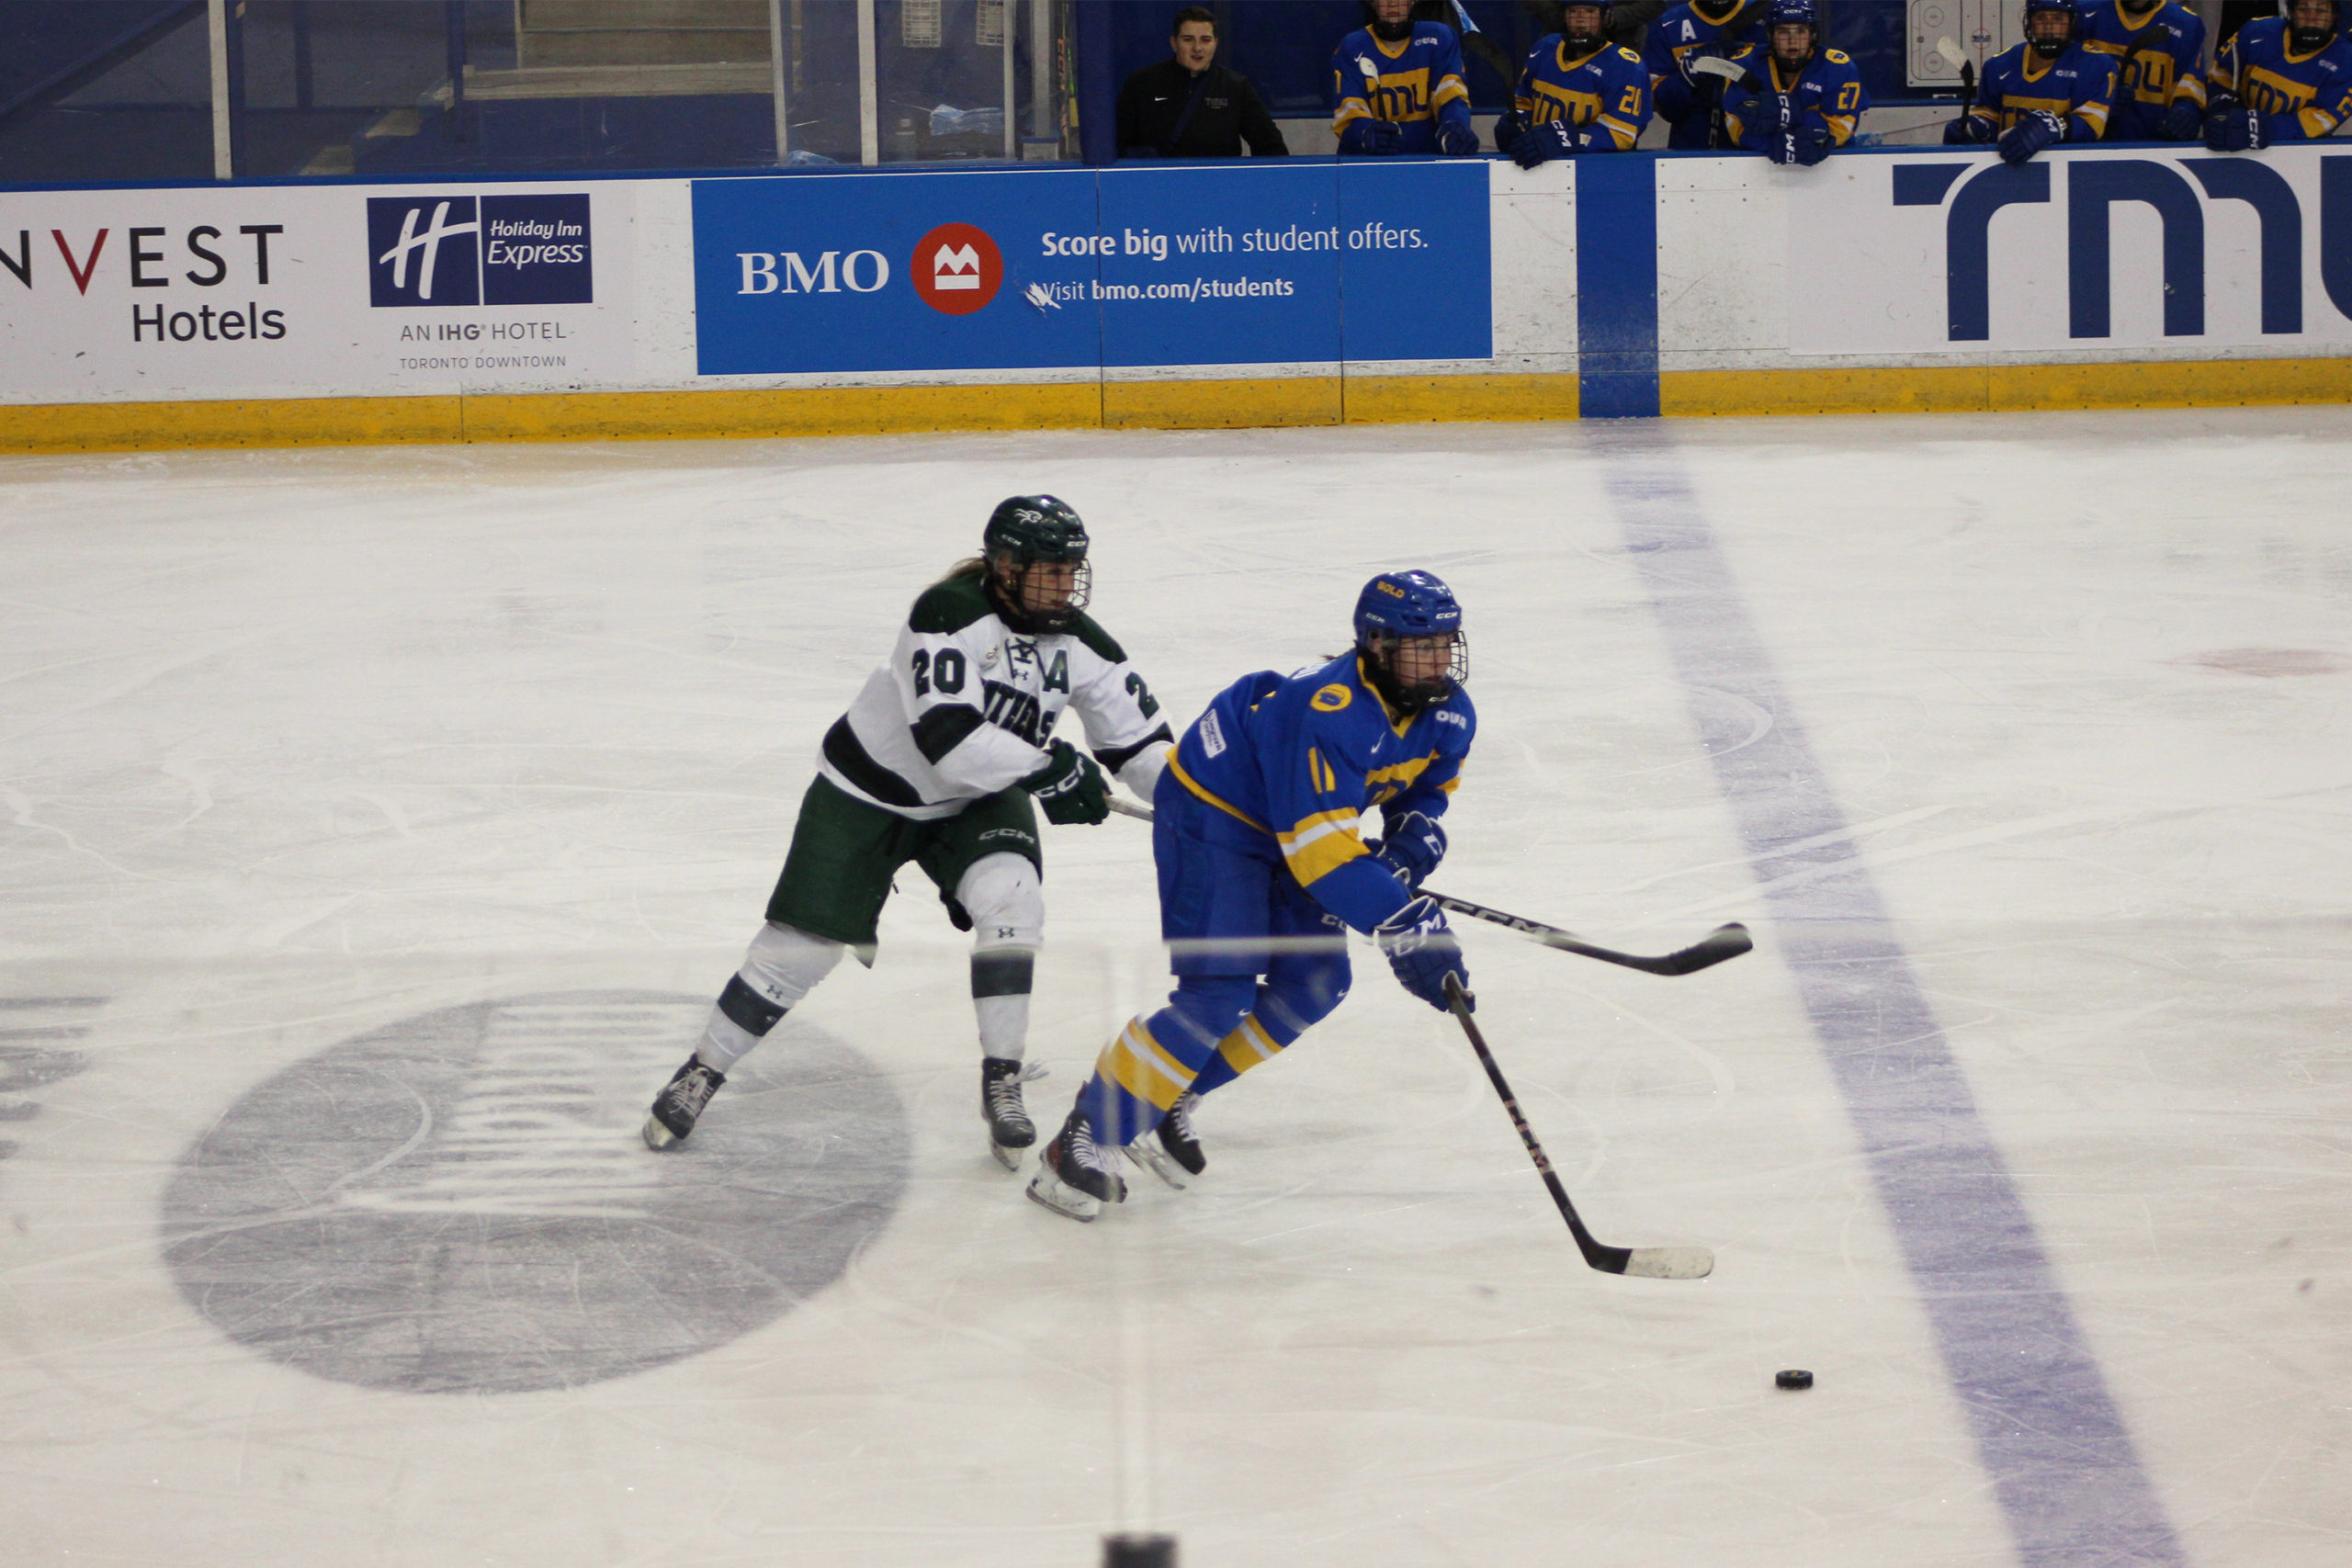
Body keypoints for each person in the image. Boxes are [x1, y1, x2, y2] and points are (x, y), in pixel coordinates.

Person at [643, 496, 1173, 1168]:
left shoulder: (1084, 645)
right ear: (1007, 567)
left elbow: (1142, 747)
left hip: (977, 799)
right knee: (798, 954)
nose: (1066, 586)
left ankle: (1002, 1079)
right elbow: (950, 742)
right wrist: (1048, 769)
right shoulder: (947, 613)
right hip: (868, 794)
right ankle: (702, 1069)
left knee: (1014, 905)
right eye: (1051, 571)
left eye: (1072, 571)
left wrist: (1199, 801)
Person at [1025, 571, 1477, 1223]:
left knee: (1316, 983)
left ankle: (1168, 1093)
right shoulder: (1329, 711)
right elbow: (1321, 856)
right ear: (1377, 644)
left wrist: (1410, 841)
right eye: (1421, 646)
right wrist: (1403, 925)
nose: (1439, 661)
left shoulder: (1450, 712)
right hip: (1216, 815)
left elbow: (1428, 791)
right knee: (1218, 993)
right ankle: (1085, 1137)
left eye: (1445, 643)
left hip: (1296, 824)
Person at [1942, 0, 2116, 162]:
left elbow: (2092, 124)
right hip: (2006, 168)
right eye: (2041, 18)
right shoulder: (1999, 64)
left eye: (2058, 19)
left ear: (2072, 22)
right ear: (2029, 22)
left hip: (2070, 170)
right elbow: (1990, 115)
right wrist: (1976, 127)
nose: (2049, 27)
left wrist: (2055, 127)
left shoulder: (2095, 65)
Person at [1116, 6, 1289, 159]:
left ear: (1215, 43)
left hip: (1220, 182)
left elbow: (1271, 146)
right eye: (1188, 39)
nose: (1197, 48)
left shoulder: (1235, 86)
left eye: (1205, 40)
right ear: (1174, 43)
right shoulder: (1142, 82)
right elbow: (1119, 143)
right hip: (1157, 181)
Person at [1494, 0, 1655, 162]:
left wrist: (1571, 138)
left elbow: (1621, 134)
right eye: (1573, 12)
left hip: (1598, 169)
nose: (1581, 21)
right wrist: (1517, 120)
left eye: (1590, 12)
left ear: (1605, 18)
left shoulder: (1624, 65)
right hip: (1538, 164)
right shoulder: (1545, 48)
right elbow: (1524, 102)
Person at [1718, 0, 1869, 164]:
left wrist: (1785, 117)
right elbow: (1736, 127)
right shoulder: (1744, 64)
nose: (1793, 40)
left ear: (1812, 35)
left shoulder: (1837, 67)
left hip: (1835, 167)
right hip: (1755, 168)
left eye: (1801, 31)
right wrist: (1775, 144)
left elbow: (1843, 125)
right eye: (1783, 32)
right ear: (1770, 35)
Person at [1331, 0, 1482, 155]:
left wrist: (1454, 126)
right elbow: (1348, 111)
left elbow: (1451, 95)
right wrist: (1364, 133)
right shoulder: (1352, 46)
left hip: (1428, 160)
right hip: (1368, 163)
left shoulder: (1440, 37)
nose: (1393, 3)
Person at [2203, 0, 2352, 148]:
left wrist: (2264, 127)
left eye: (2321, 11)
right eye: (2303, 9)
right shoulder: (2257, 31)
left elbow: (2322, 119)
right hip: (2236, 135)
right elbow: (2222, 75)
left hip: (2299, 151)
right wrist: (2221, 108)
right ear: (2291, 13)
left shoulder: (2345, 60)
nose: (2311, 17)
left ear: (2334, 17)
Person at [1644, 0, 1770, 149]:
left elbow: (1786, 89)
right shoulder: (1667, 24)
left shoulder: (1767, 16)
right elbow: (1664, 108)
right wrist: (1687, 77)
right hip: (1691, 145)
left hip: (1755, 143)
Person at [2076, 0, 2208, 140]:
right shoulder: (2085, 14)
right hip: (2090, 144)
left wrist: (2187, 110)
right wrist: (2100, 99)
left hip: (2155, 144)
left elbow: (2191, 89)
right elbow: (2066, 81)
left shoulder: (2186, 24)